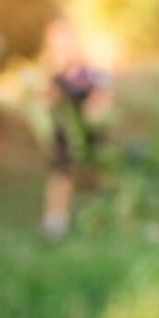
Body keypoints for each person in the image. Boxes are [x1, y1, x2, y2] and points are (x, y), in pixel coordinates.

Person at [40, 19, 109, 239]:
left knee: (97, 168)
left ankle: (101, 212)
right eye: (57, 43)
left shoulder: (89, 72)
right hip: (65, 132)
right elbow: (44, 102)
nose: (63, 48)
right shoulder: (53, 76)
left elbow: (102, 96)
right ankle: (55, 221)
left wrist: (96, 107)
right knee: (61, 173)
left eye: (66, 42)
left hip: (89, 129)